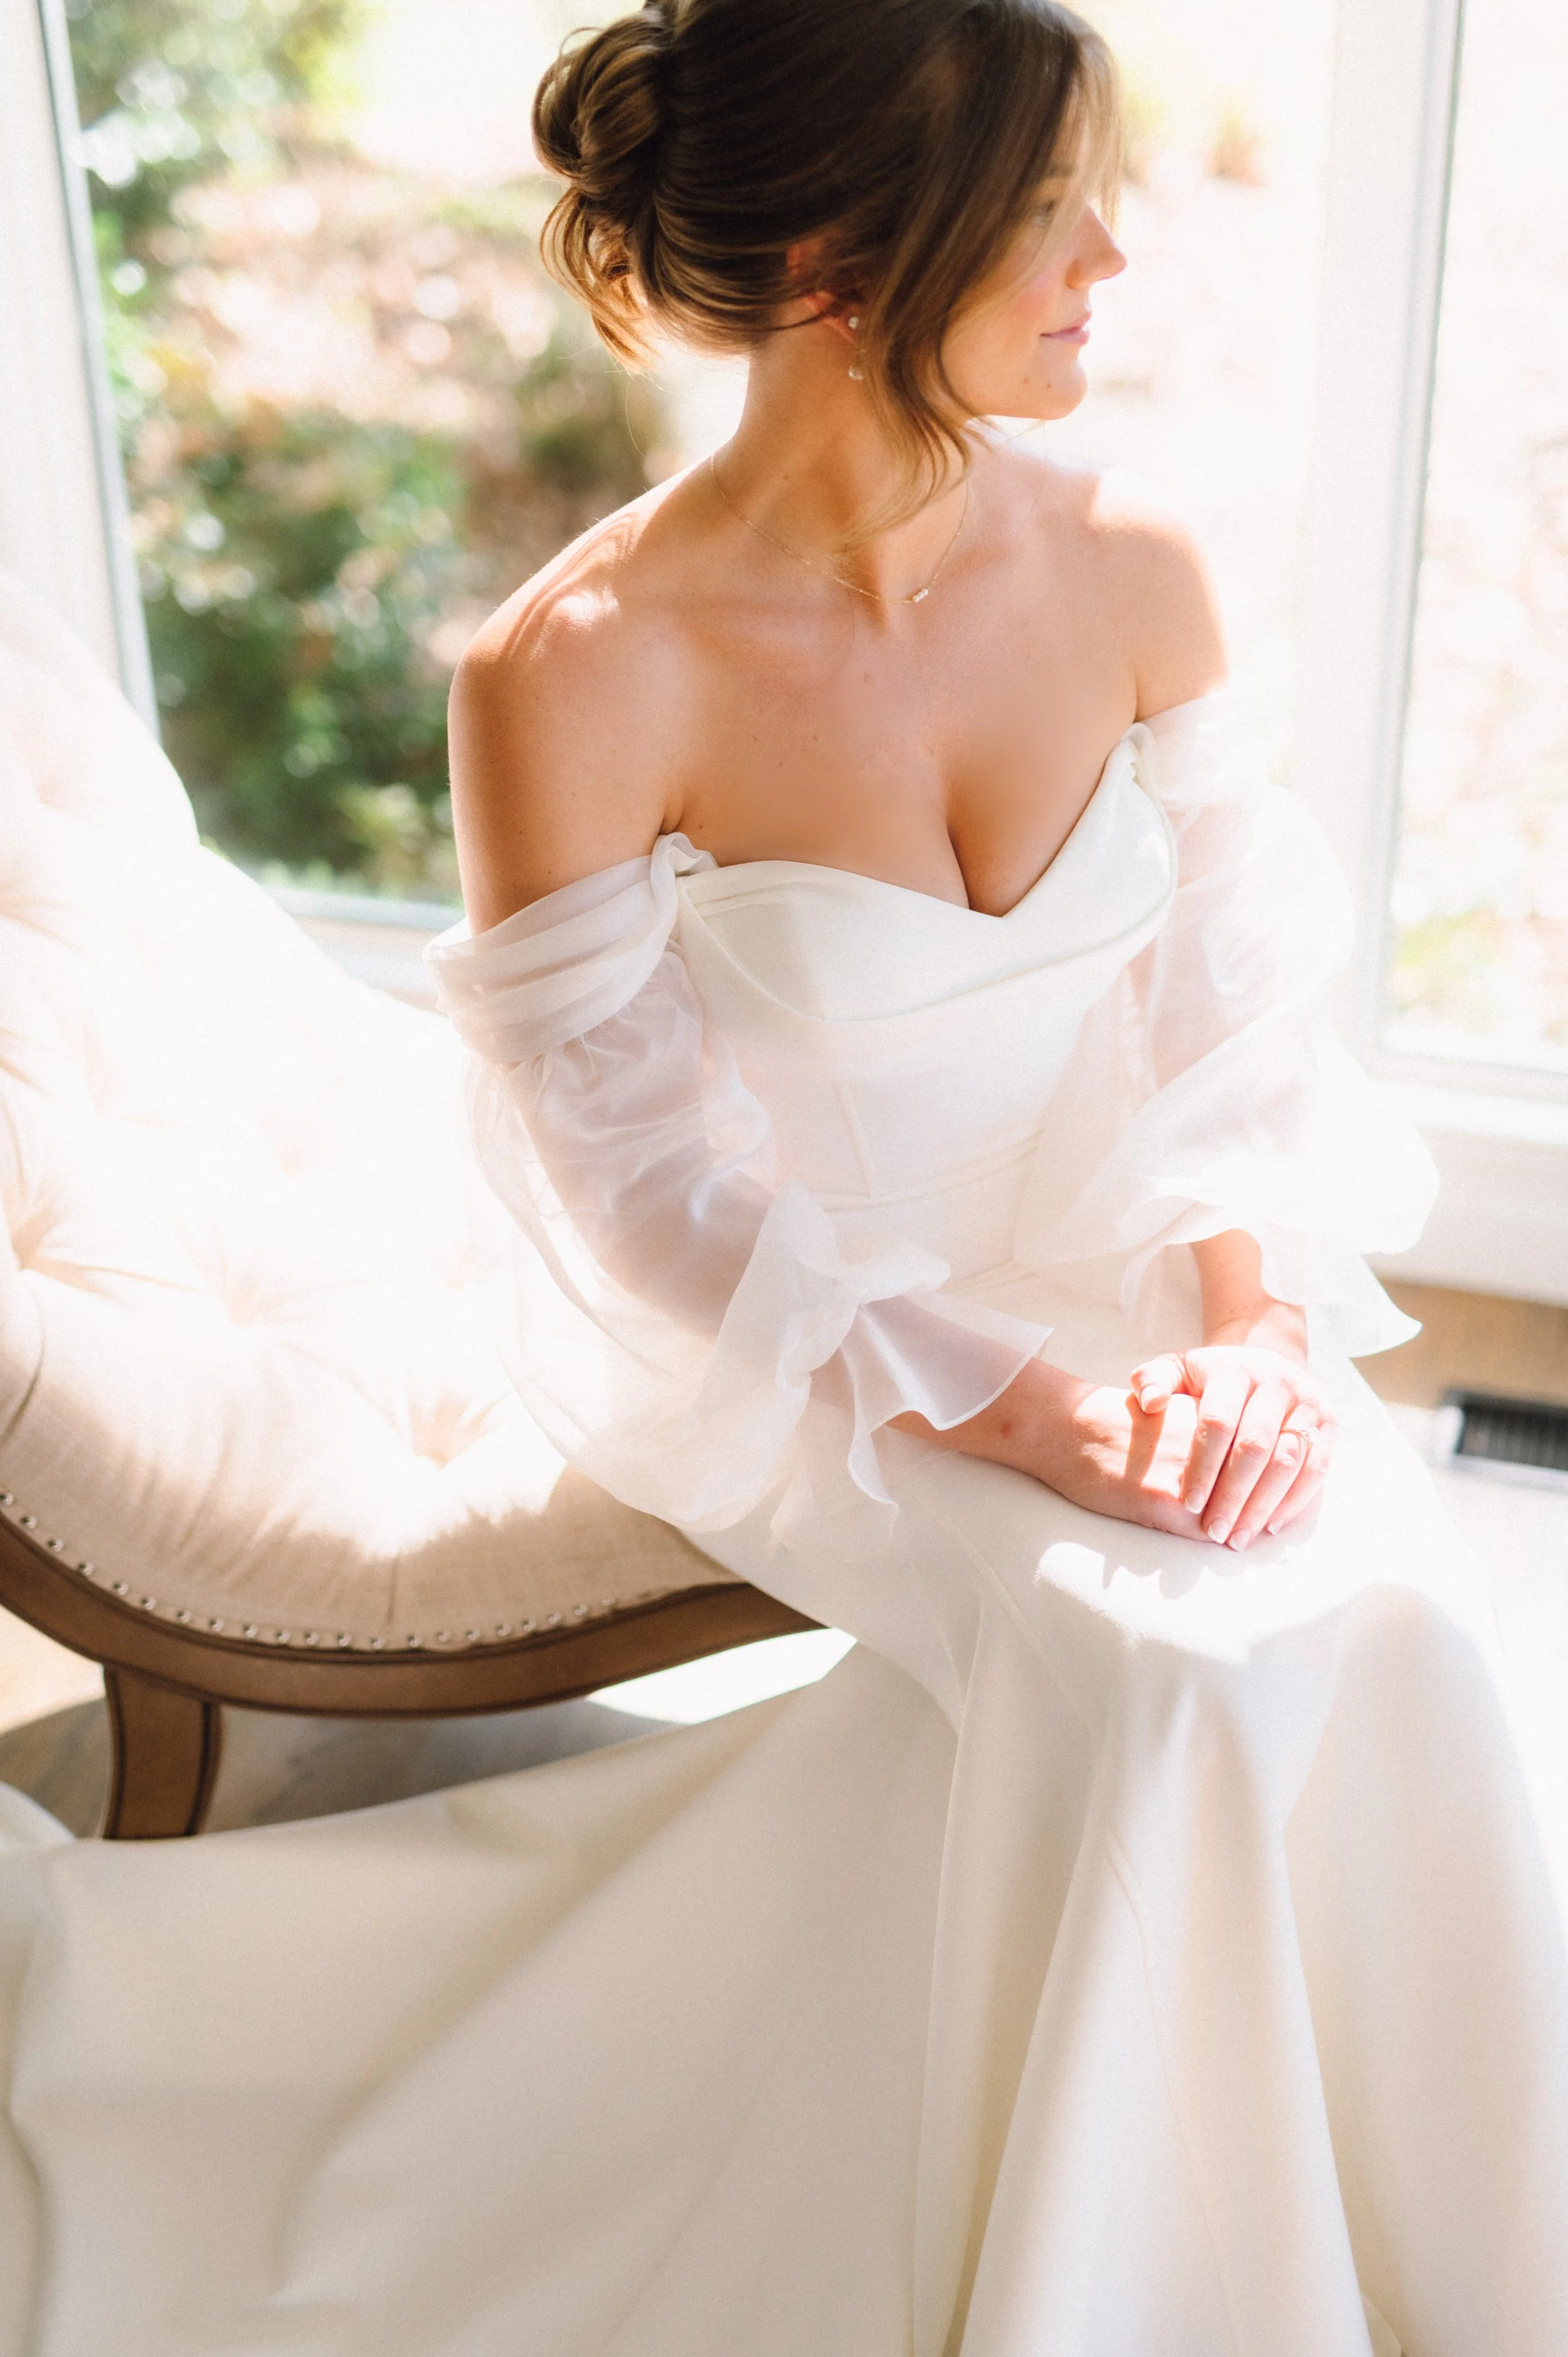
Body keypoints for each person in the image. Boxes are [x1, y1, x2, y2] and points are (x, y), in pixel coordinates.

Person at [423, 1, 1568, 2349]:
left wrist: (1250, 1334)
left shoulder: (1130, 556)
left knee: (1398, 1599)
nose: (1110, 261)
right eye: (1048, 215)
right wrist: (1020, 1407)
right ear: (836, 267)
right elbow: (639, 1178)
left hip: (1144, 1250)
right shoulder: (575, 668)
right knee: (1164, 1682)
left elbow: (1230, 1014)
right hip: (822, 1331)